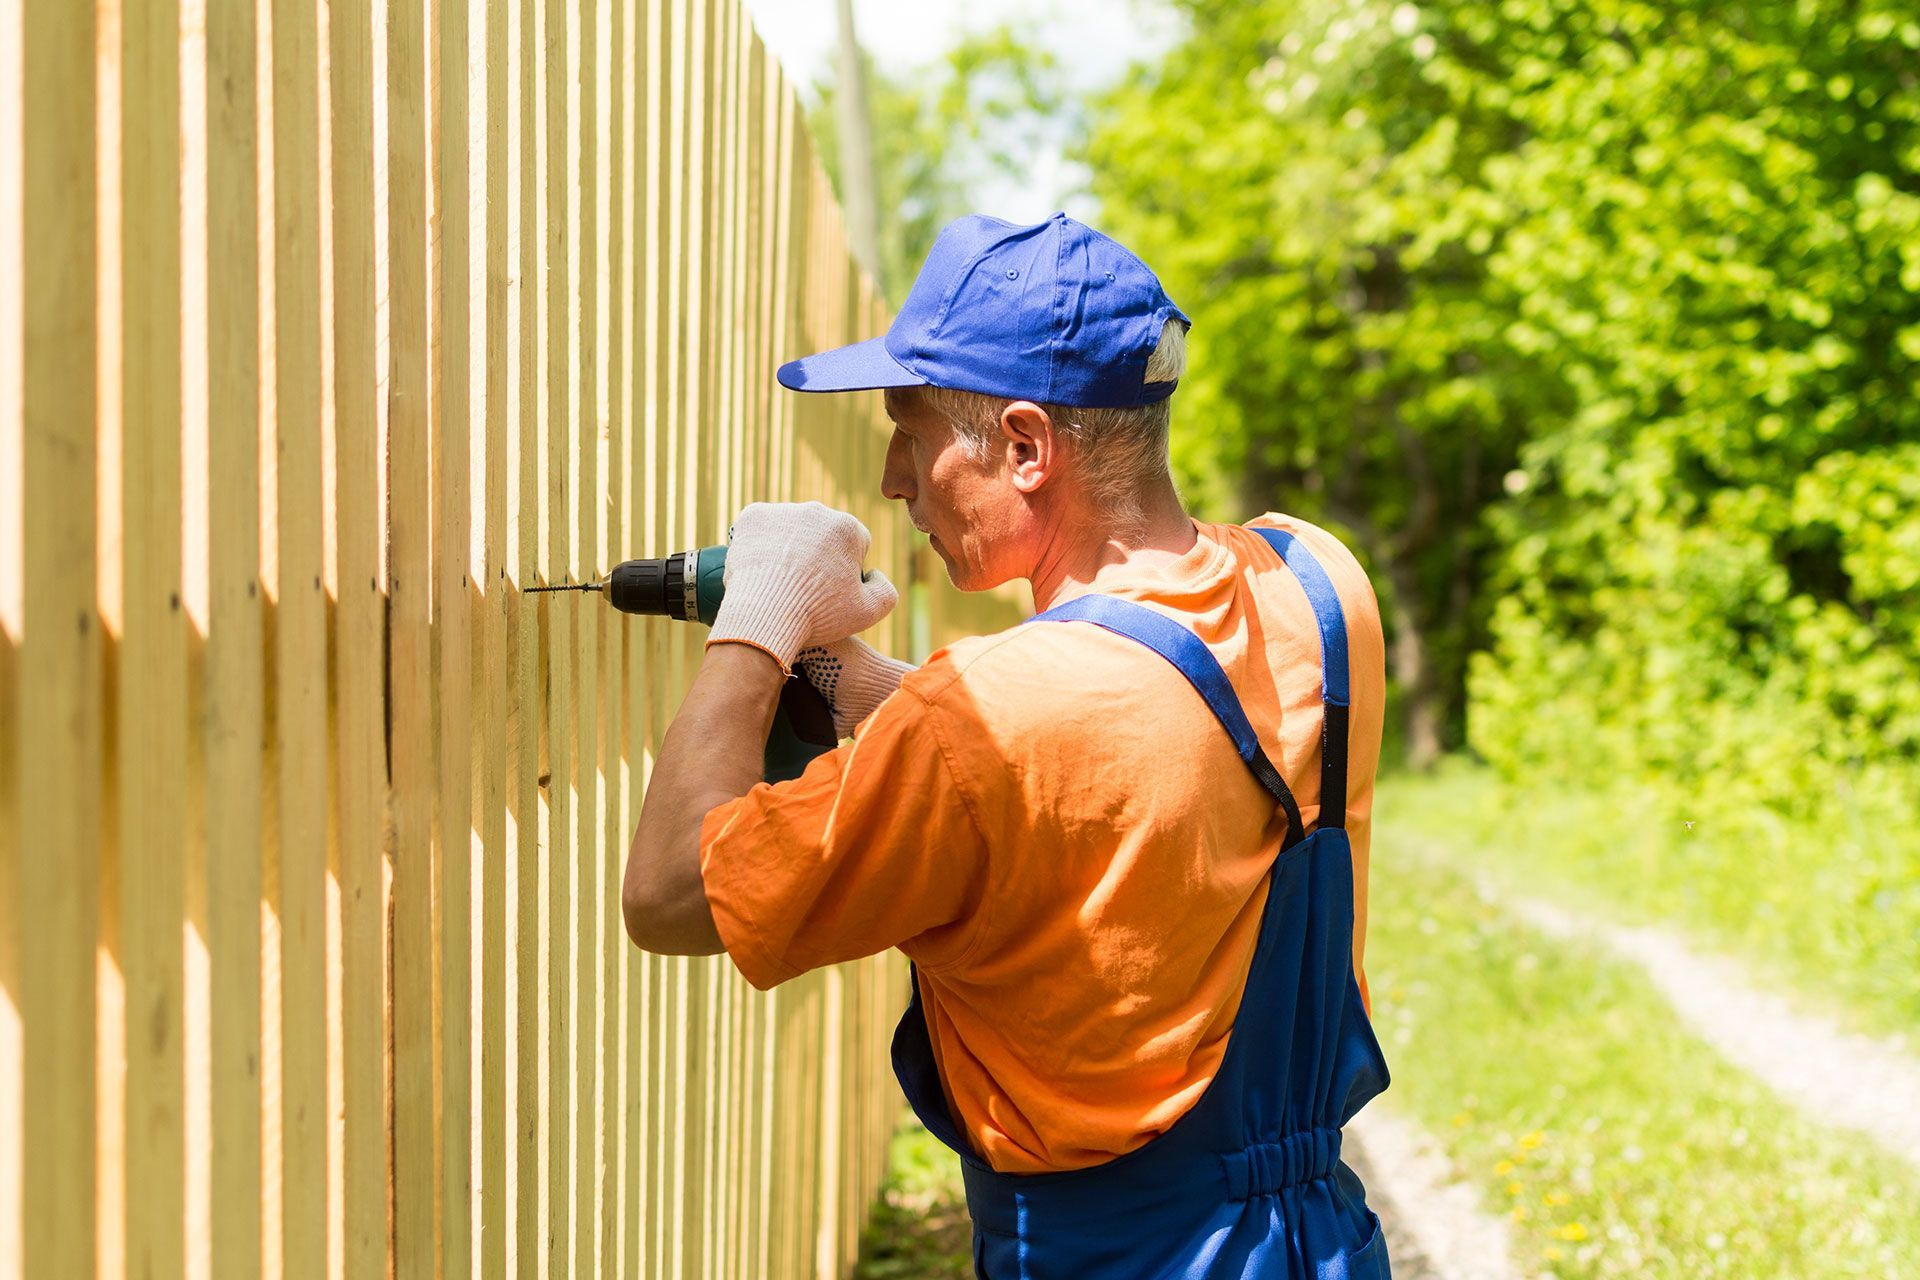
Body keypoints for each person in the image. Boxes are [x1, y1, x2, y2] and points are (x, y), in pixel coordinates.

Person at [623, 212, 1393, 1278]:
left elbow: (667, 893)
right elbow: (1158, 763)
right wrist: (876, 689)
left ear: (1027, 446)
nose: (896, 477)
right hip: (1320, 1241)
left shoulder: (987, 719)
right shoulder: (1318, 582)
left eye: (912, 431)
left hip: (1111, 1255)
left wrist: (755, 622)